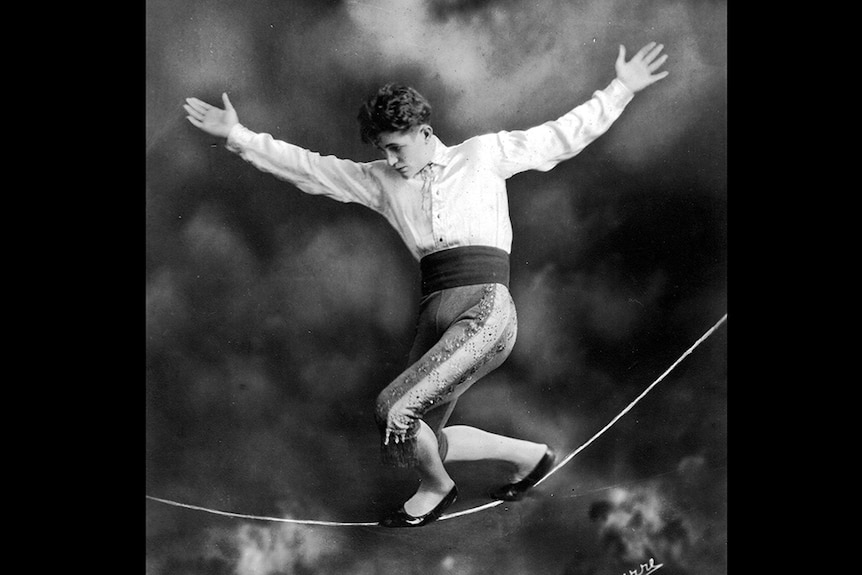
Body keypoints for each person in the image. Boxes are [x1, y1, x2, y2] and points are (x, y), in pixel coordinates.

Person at [183, 41, 669, 528]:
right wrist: (238, 135)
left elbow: (562, 135)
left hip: (485, 308)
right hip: (433, 314)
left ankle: (438, 489)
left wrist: (622, 87)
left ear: (425, 131)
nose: (391, 159)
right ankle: (531, 458)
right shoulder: (380, 181)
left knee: (393, 409)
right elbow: (310, 167)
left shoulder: (482, 156)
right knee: (421, 439)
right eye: (382, 150)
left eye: (398, 146)